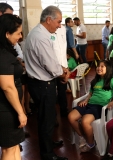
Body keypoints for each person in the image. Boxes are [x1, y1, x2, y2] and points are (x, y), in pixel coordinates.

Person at [24, 6, 69, 160]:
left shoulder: (37, 33)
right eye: (58, 22)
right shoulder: (41, 37)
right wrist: (63, 73)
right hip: (43, 85)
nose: (59, 26)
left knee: (46, 117)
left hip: (39, 82)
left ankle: (48, 143)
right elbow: (51, 66)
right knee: (47, 119)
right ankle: (48, 154)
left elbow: (50, 61)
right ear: (49, 19)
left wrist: (60, 68)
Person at [68, 60, 113, 152]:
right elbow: (90, 94)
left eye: (102, 66)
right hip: (89, 104)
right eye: (98, 66)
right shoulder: (95, 81)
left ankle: (90, 143)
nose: (99, 68)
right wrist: (85, 100)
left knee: (85, 122)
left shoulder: (112, 81)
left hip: (99, 107)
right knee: (71, 117)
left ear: (108, 69)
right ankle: (82, 137)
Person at [0, 14, 27, 160]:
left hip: (10, 107)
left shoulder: (7, 50)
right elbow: (7, 87)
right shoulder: (2, 54)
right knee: (8, 150)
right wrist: (20, 112)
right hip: (5, 109)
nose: (20, 36)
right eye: (18, 33)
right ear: (7, 33)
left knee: (15, 145)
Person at [52, 25, 69, 117]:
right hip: (51, 69)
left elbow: (63, 51)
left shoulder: (62, 29)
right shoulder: (46, 31)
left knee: (62, 91)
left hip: (63, 68)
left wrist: (66, 68)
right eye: (58, 21)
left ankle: (64, 110)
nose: (59, 24)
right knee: (51, 93)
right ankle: (53, 116)